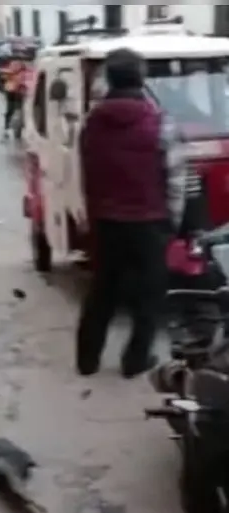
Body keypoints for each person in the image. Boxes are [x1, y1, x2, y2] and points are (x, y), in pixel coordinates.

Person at [75, 47, 186, 379]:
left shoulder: (92, 123)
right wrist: (172, 223)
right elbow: (176, 178)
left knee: (102, 291)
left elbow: (87, 172)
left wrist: (92, 213)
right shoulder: (161, 123)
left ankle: (87, 360)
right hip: (149, 221)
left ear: (109, 79)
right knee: (148, 297)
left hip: (107, 220)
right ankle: (135, 361)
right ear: (142, 78)